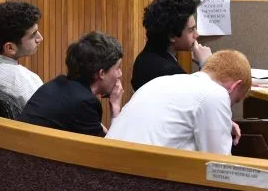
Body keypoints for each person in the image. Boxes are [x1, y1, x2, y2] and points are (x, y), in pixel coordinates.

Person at [106, 49, 251, 155]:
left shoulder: (160, 81)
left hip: (104, 174)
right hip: (137, 183)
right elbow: (219, 167)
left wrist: (222, 123)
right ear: (235, 86)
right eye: (234, 101)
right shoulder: (216, 94)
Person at [18, 32, 123, 136]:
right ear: (102, 73)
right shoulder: (84, 103)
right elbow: (109, 150)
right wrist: (115, 109)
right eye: (118, 68)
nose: (120, 74)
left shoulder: (59, 84)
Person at [131, 0, 212, 91]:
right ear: (172, 35)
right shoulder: (170, 72)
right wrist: (206, 64)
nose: (197, 34)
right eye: (191, 30)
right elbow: (202, 99)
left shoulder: (144, 58)